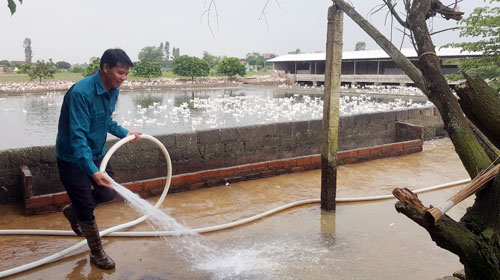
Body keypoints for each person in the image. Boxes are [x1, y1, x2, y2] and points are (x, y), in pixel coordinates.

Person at [55, 48, 141, 270]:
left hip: (96, 151)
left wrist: (125, 133)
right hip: (73, 158)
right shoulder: (81, 94)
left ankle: (73, 211)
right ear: (105, 68)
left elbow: (106, 120)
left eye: (126, 74)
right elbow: (77, 137)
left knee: (108, 191)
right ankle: (97, 253)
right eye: (120, 73)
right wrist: (92, 170)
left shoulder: (113, 89)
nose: (124, 78)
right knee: (86, 206)